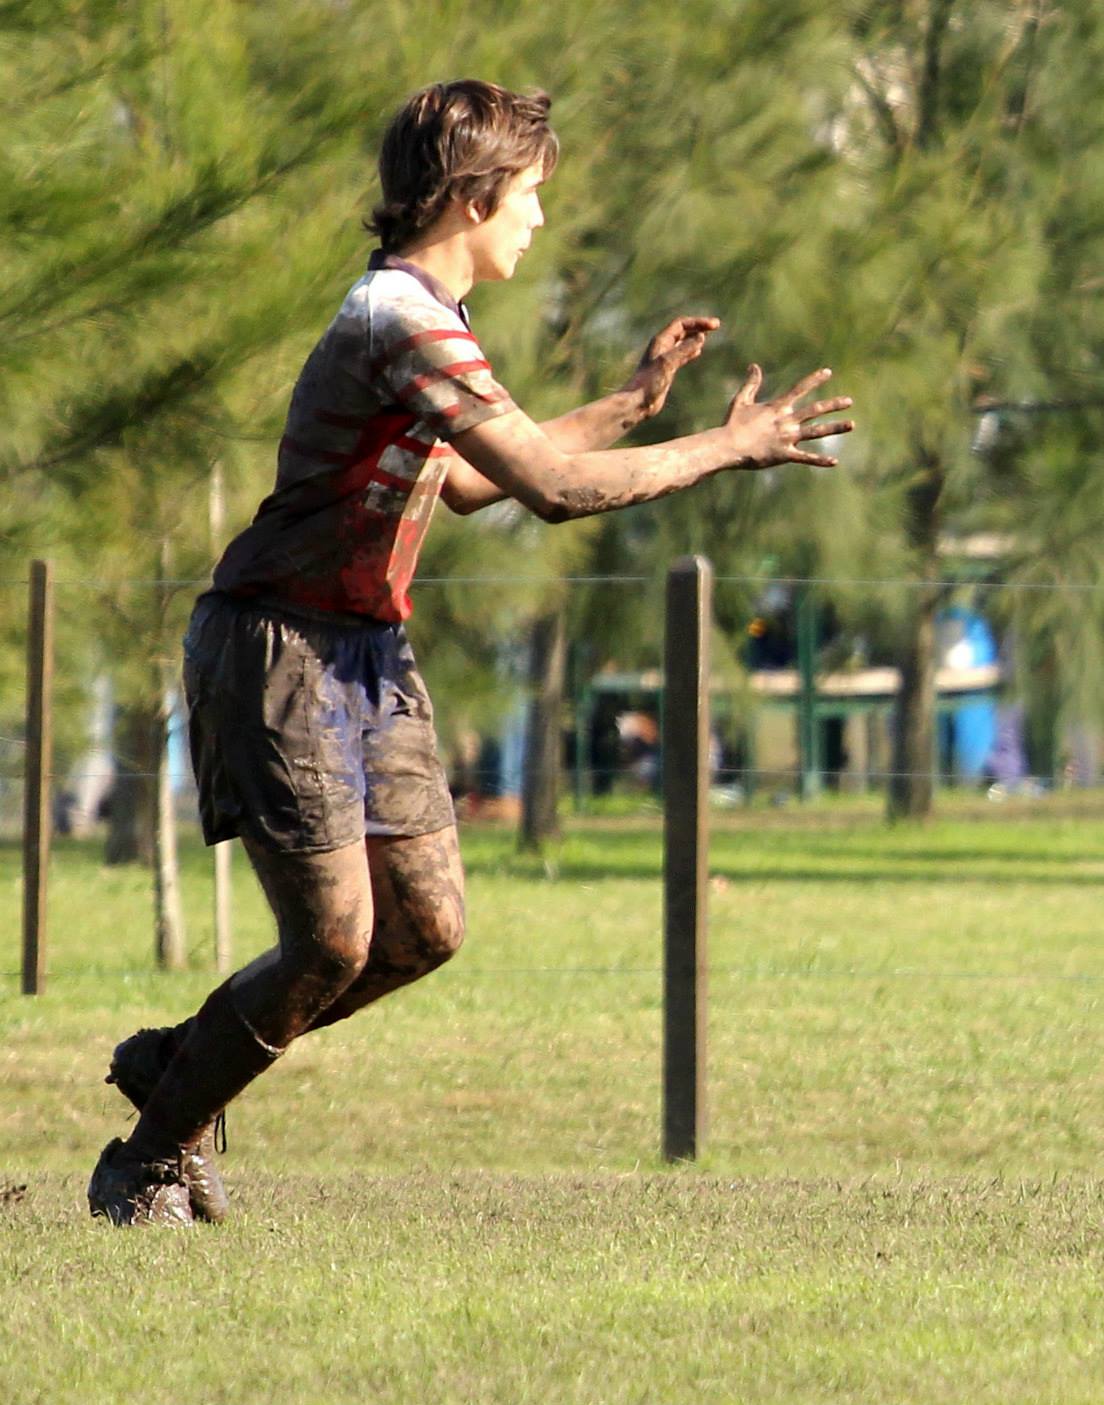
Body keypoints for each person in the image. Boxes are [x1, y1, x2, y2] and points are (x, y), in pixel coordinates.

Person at [90, 79, 856, 1226]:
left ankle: (185, 1062)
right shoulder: (396, 318)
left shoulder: (424, 324)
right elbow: (550, 491)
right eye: (533, 194)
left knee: (424, 927)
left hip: (366, 650)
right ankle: (148, 1156)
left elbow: (465, 480)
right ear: (475, 192)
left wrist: (637, 401)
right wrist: (726, 445)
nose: (540, 219)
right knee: (335, 937)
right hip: (279, 647)